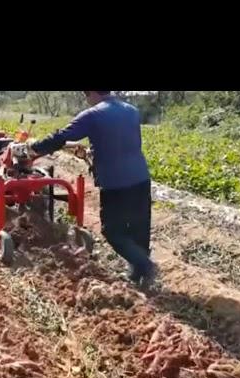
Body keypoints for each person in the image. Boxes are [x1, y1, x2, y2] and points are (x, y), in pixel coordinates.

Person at [27, 91, 157, 289]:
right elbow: (119, 141)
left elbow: (62, 136)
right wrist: (92, 152)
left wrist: (35, 148)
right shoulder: (131, 110)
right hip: (140, 178)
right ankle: (139, 274)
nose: (87, 99)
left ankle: (144, 266)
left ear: (92, 94)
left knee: (112, 231)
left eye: (86, 95)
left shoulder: (93, 114)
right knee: (139, 228)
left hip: (115, 182)